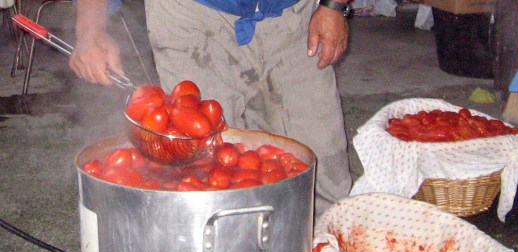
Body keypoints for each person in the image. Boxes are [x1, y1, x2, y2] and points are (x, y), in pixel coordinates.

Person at [69, 0, 353, 219]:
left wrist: (334, 6)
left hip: (295, 15)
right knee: (206, 176)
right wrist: (91, 30)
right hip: (192, 16)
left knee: (325, 178)